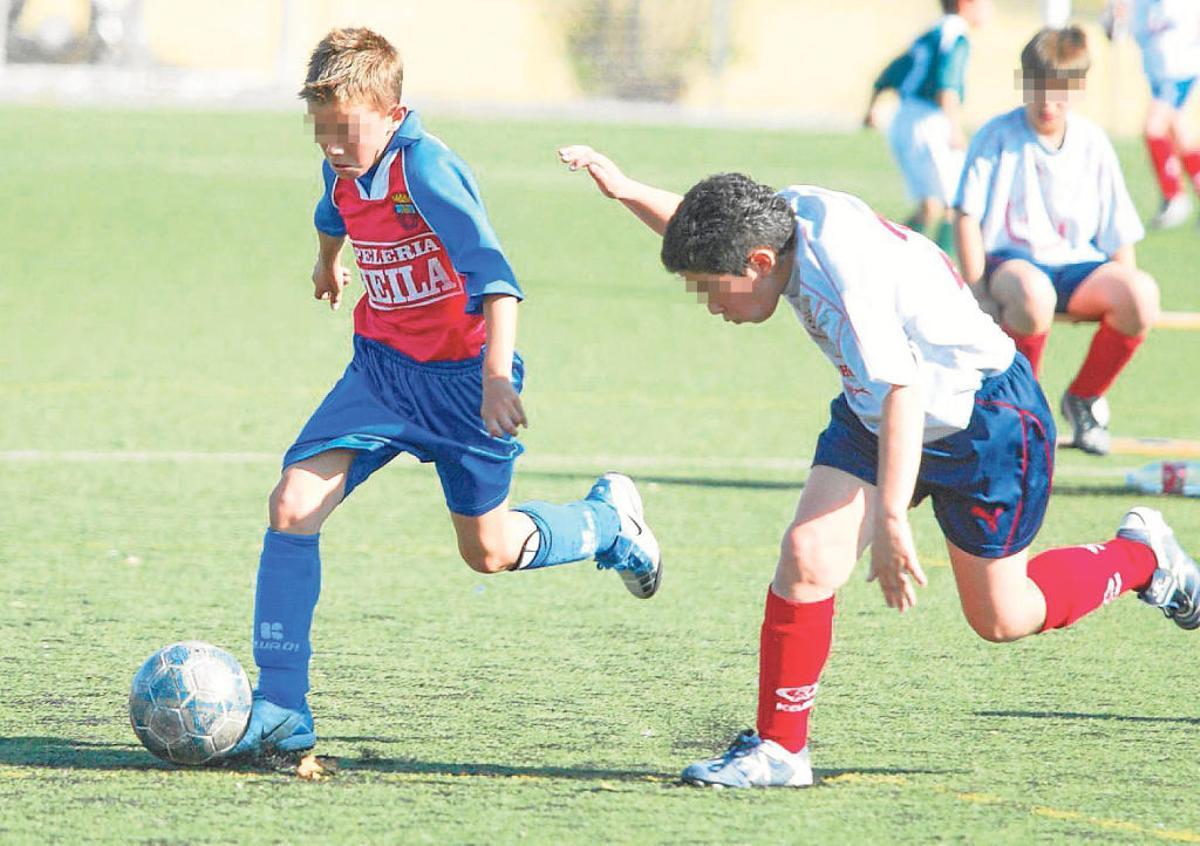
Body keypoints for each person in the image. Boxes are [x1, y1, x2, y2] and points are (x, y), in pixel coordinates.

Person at [557, 143, 1200, 788]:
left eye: (710, 287)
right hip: (878, 414)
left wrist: (892, 520)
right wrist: (628, 190)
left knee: (1003, 617)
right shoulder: (780, 222)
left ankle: (1141, 556)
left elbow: (903, 393)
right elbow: (716, 235)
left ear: (758, 264)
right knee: (808, 556)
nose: (709, 302)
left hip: (985, 422)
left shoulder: (843, 279)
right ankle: (781, 750)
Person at [230, 28, 662, 757]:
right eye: (321, 130)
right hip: (382, 374)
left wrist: (496, 379)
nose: (333, 145)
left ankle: (607, 525)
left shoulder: (425, 170)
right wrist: (327, 265)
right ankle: (282, 706)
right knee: (292, 504)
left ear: (392, 112)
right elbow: (332, 213)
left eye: (346, 130)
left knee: (488, 552)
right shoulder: (343, 165)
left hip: (467, 385)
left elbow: (499, 282)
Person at [954, 26, 1159, 456]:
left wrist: (1130, 297)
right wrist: (974, 292)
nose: (1048, 103)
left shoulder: (1093, 142)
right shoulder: (997, 136)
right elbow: (967, 215)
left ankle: (1084, 399)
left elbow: (1117, 228)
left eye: (1060, 92)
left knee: (1141, 293)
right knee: (1034, 295)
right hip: (1012, 263)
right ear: (1023, 83)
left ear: (1079, 90)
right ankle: (1022, 410)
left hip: (1075, 265)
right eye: (1038, 91)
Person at [863, 0, 993, 254]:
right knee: (953, 204)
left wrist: (872, 107)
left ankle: (886, 253)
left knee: (930, 207)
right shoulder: (956, 36)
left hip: (904, 118)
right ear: (966, 4)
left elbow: (888, 74)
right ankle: (943, 268)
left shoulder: (930, 34)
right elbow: (947, 86)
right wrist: (954, 128)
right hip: (929, 122)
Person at [1106, 0, 1200, 228]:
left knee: (1153, 128)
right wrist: (1115, 20)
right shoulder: (1139, 4)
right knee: (1181, 136)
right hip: (1157, 73)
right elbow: (1118, 31)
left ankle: (1174, 197)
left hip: (1179, 71)